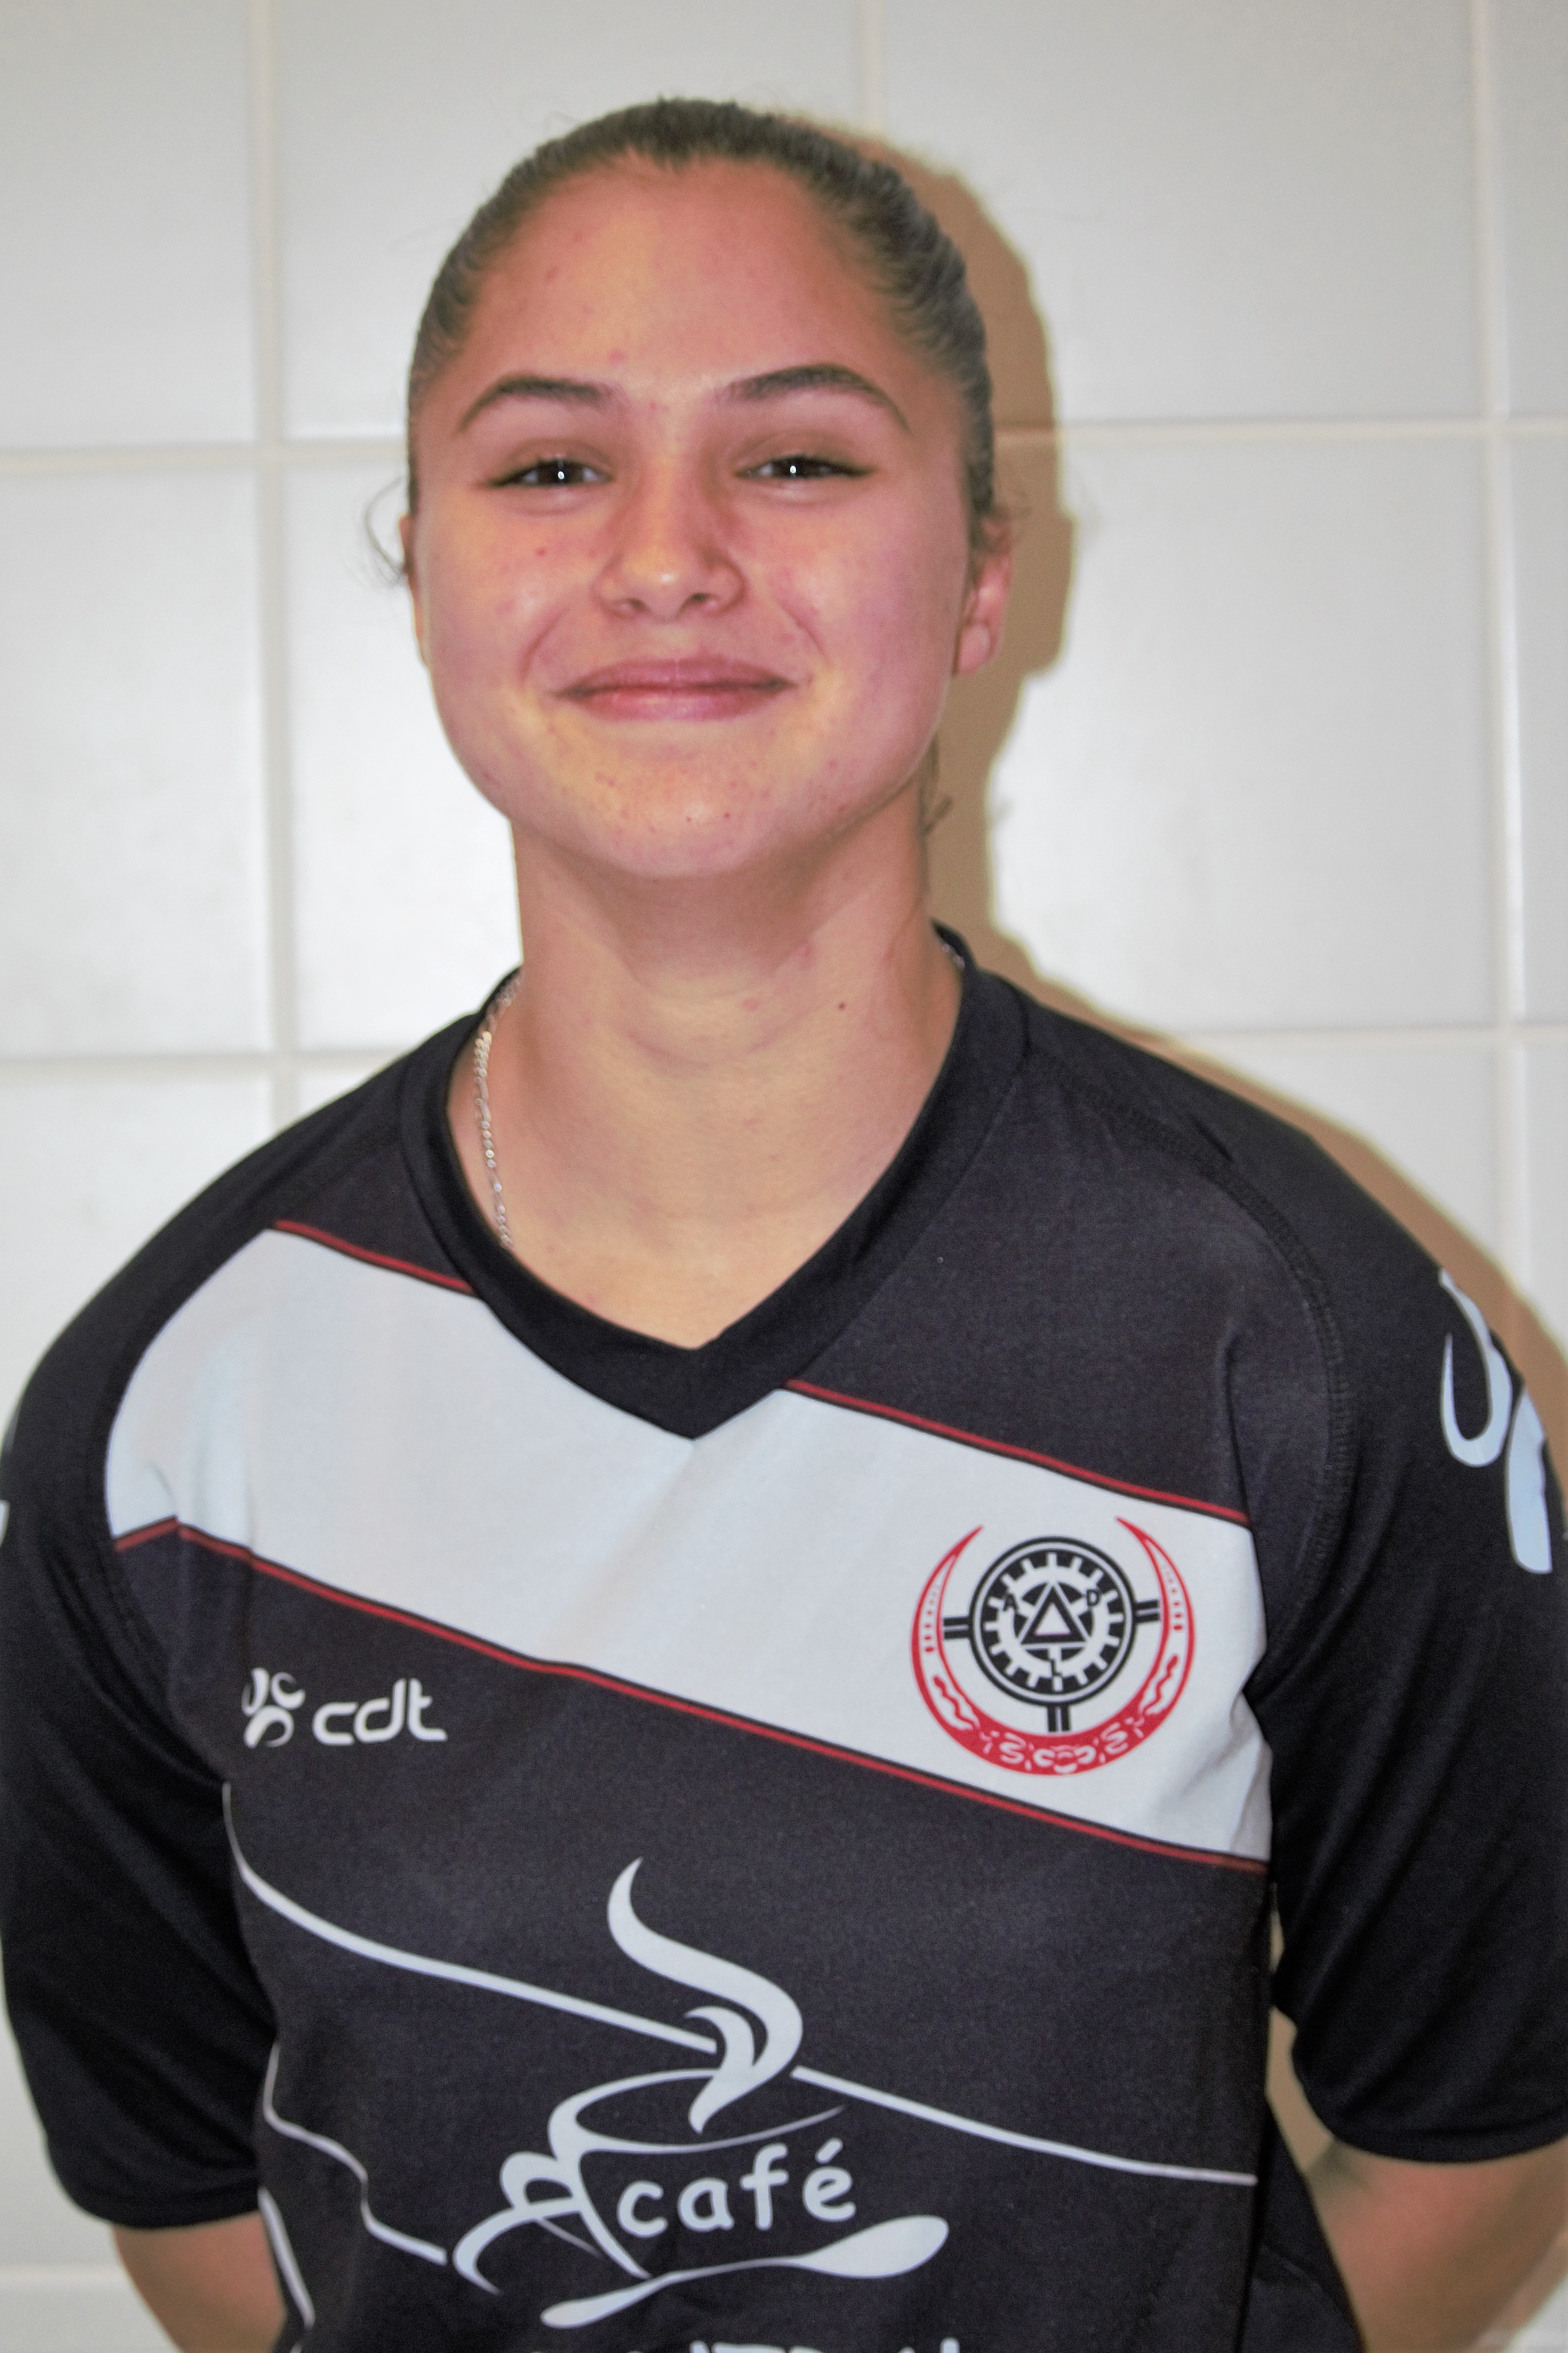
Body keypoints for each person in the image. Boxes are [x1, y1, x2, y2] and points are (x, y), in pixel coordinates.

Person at [1, 98, 1563, 2353]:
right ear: (424, 568)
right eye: (553, 464)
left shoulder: (1297, 1334)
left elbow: (1479, 2132)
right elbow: (184, 2188)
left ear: (983, 575)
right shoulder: (169, 1411)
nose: (664, 556)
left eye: (798, 458)